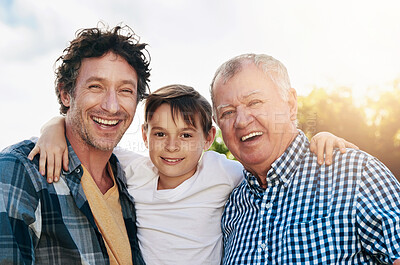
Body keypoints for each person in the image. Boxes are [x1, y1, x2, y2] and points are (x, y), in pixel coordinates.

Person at [27, 84, 355, 265]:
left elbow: (273, 166)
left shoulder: (224, 171)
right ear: (144, 135)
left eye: (186, 135)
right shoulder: (131, 169)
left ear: (208, 138)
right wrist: (53, 127)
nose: (171, 147)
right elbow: (80, 139)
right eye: (160, 135)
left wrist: (319, 138)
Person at [210, 53, 400, 264]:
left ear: (290, 105)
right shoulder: (230, 206)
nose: (241, 121)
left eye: (255, 102)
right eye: (227, 113)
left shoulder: (356, 173)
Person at [0, 24, 150, 264]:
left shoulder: (129, 179)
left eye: (125, 90)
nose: (112, 106)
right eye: (95, 87)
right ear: (66, 94)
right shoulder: (20, 171)